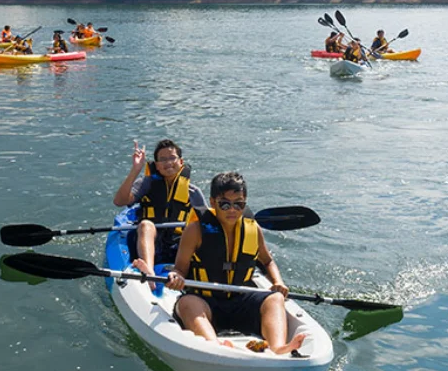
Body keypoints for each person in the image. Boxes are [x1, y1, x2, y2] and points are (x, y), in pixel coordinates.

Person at [166, 171, 305, 355]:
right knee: (187, 303)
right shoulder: (195, 230)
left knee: (275, 298)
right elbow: (180, 269)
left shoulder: (253, 229)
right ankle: (214, 346)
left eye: (238, 204)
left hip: (241, 300)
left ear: (245, 202)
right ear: (213, 202)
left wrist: (277, 281)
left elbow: (267, 261)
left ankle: (278, 347)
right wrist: (176, 277)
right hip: (205, 302)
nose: (232, 210)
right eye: (225, 204)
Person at [113, 139, 207, 276]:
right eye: (162, 159)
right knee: (146, 224)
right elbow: (119, 201)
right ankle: (149, 272)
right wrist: (136, 169)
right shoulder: (146, 183)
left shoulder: (193, 191)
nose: (168, 163)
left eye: (172, 158)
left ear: (181, 161)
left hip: (179, 245)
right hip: (150, 241)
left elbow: (207, 223)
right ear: (156, 165)